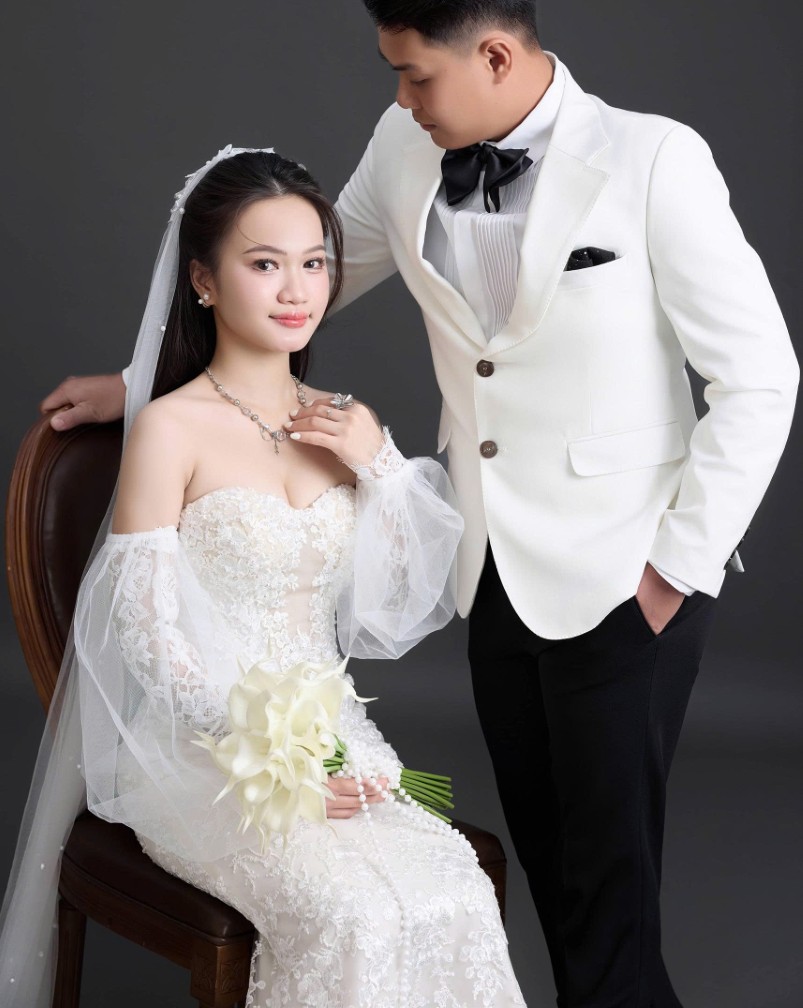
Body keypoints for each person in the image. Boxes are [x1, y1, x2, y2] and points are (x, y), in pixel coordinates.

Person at [39, 0, 799, 1007]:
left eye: (414, 74)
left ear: (492, 55)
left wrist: (673, 570)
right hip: (488, 567)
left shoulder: (651, 160)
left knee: (611, 886)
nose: (400, 99)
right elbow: (308, 271)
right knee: (549, 863)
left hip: (624, 574)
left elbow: (761, 377)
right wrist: (139, 382)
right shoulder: (407, 147)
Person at [0, 146, 527, 1008]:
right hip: (201, 754)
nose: (296, 291)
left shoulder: (343, 422)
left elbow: (401, 602)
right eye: (265, 264)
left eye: (314, 264)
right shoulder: (170, 428)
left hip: (332, 735)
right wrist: (273, 760)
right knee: (352, 914)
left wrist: (381, 465)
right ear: (203, 282)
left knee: (454, 888)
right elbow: (146, 635)